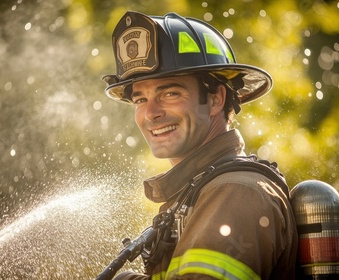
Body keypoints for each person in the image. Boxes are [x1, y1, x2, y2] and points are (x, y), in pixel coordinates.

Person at [102, 11, 298, 279]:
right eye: (140, 100)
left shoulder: (236, 192)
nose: (150, 113)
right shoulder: (198, 192)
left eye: (170, 93)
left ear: (216, 99)